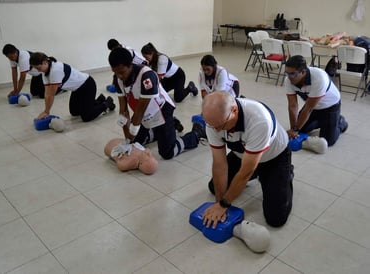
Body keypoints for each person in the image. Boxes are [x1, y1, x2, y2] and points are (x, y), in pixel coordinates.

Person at [201, 91, 293, 228]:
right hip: (243, 155)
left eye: (220, 126)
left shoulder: (260, 121)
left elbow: (245, 172)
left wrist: (224, 205)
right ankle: (256, 174)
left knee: (276, 218)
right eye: (212, 126)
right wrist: (219, 203)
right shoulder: (214, 121)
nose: (216, 130)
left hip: (274, 158)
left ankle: (286, 174)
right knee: (214, 188)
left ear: (235, 111)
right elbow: (219, 164)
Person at [108, 47, 206, 160]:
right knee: (135, 141)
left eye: (122, 72)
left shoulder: (146, 76)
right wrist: (127, 139)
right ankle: (167, 127)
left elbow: (140, 112)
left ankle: (197, 133)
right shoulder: (118, 78)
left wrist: (131, 134)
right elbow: (123, 110)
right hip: (145, 116)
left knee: (167, 152)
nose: (119, 76)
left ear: (130, 65)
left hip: (162, 111)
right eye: (115, 72)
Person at [29, 52, 115, 122]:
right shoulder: (45, 73)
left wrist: (46, 112)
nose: (38, 70)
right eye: (36, 68)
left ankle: (106, 103)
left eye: (38, 67)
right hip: (77, 89)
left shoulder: (55, 70)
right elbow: (47, 94)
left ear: (44, 62)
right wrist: (45, 111)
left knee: (86, 117)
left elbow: (51, 95)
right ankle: (99, 100)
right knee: (74, 112)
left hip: (87, 85)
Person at [284, 55, 348, 146]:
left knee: (328, 141)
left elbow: (308, 109)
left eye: (292, 74)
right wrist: (293, 129)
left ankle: (341, 121)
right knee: (301, 129)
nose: (289, 77)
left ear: (303, 72)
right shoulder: (289, 80)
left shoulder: (318, 78)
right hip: (313, 107)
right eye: (287, 73)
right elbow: (292, 106)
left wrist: (295, 130)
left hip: (330, 106)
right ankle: (322, 121)